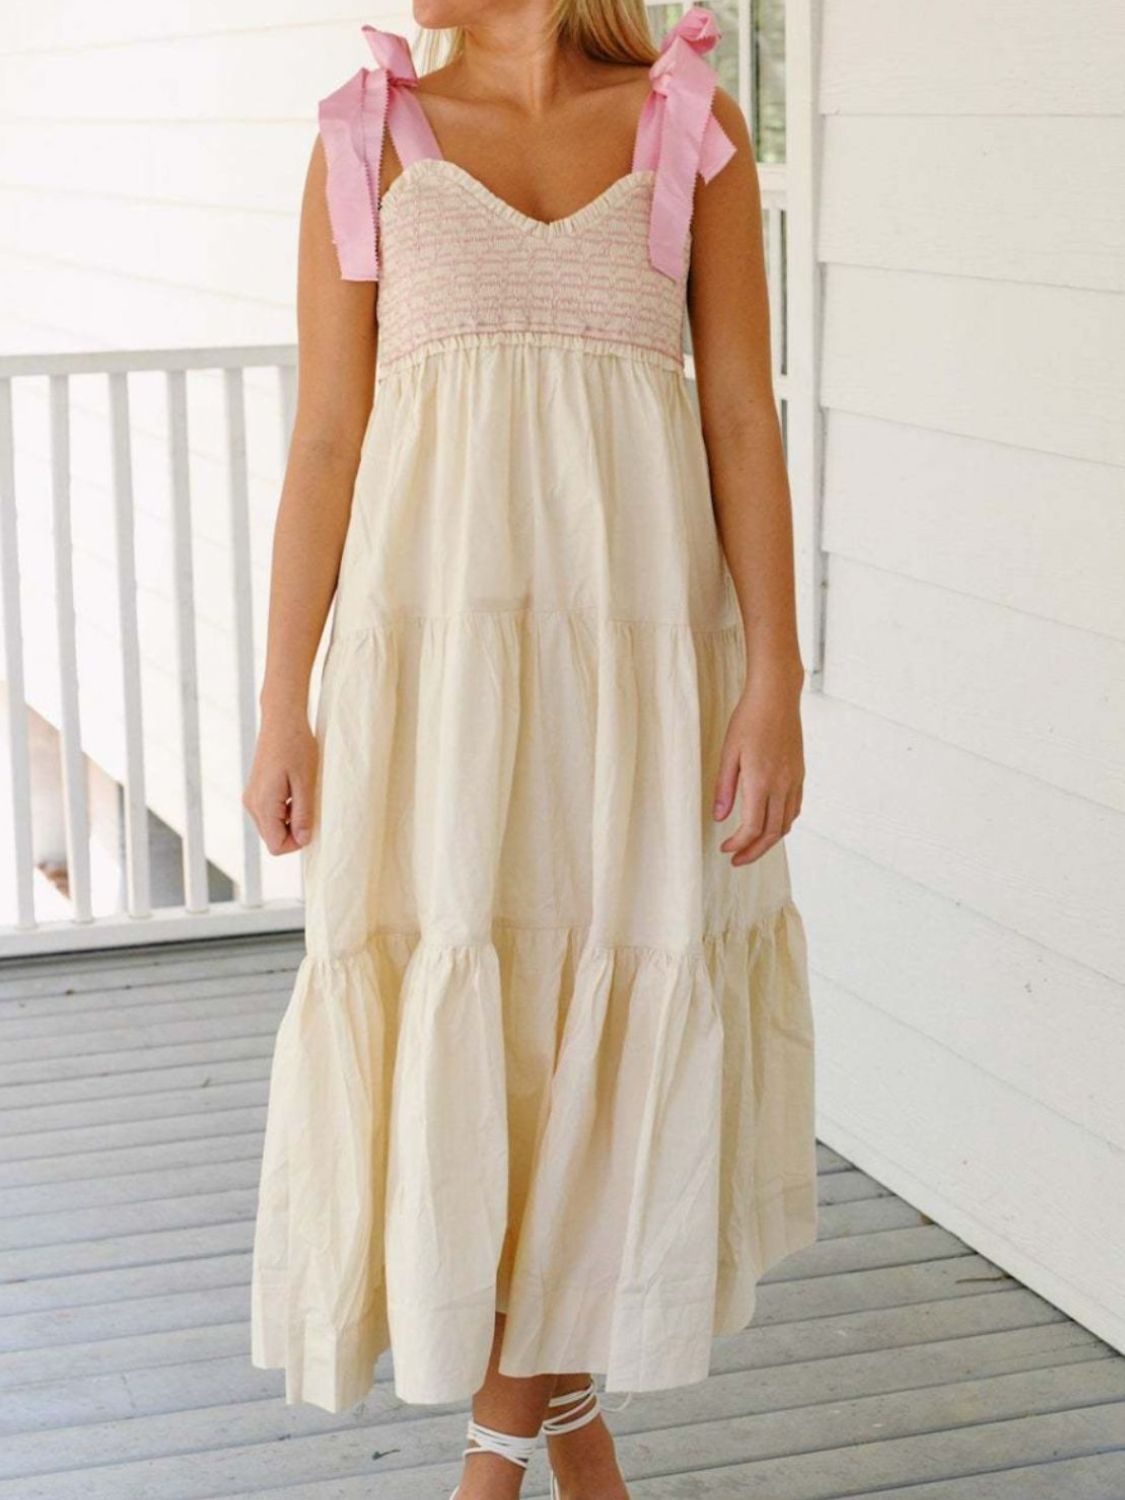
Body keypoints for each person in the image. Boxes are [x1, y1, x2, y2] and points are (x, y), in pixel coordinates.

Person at [243, 2, 818, 1495]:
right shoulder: (366, 137)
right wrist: (282, 698)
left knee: (590, 1013)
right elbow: (327, 434)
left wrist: (774, 679)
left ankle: (496, 1456)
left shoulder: (690, 127)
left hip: (638, 674)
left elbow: (740, 420)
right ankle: (555, 1437)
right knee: (482, 1020)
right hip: (436, 676)